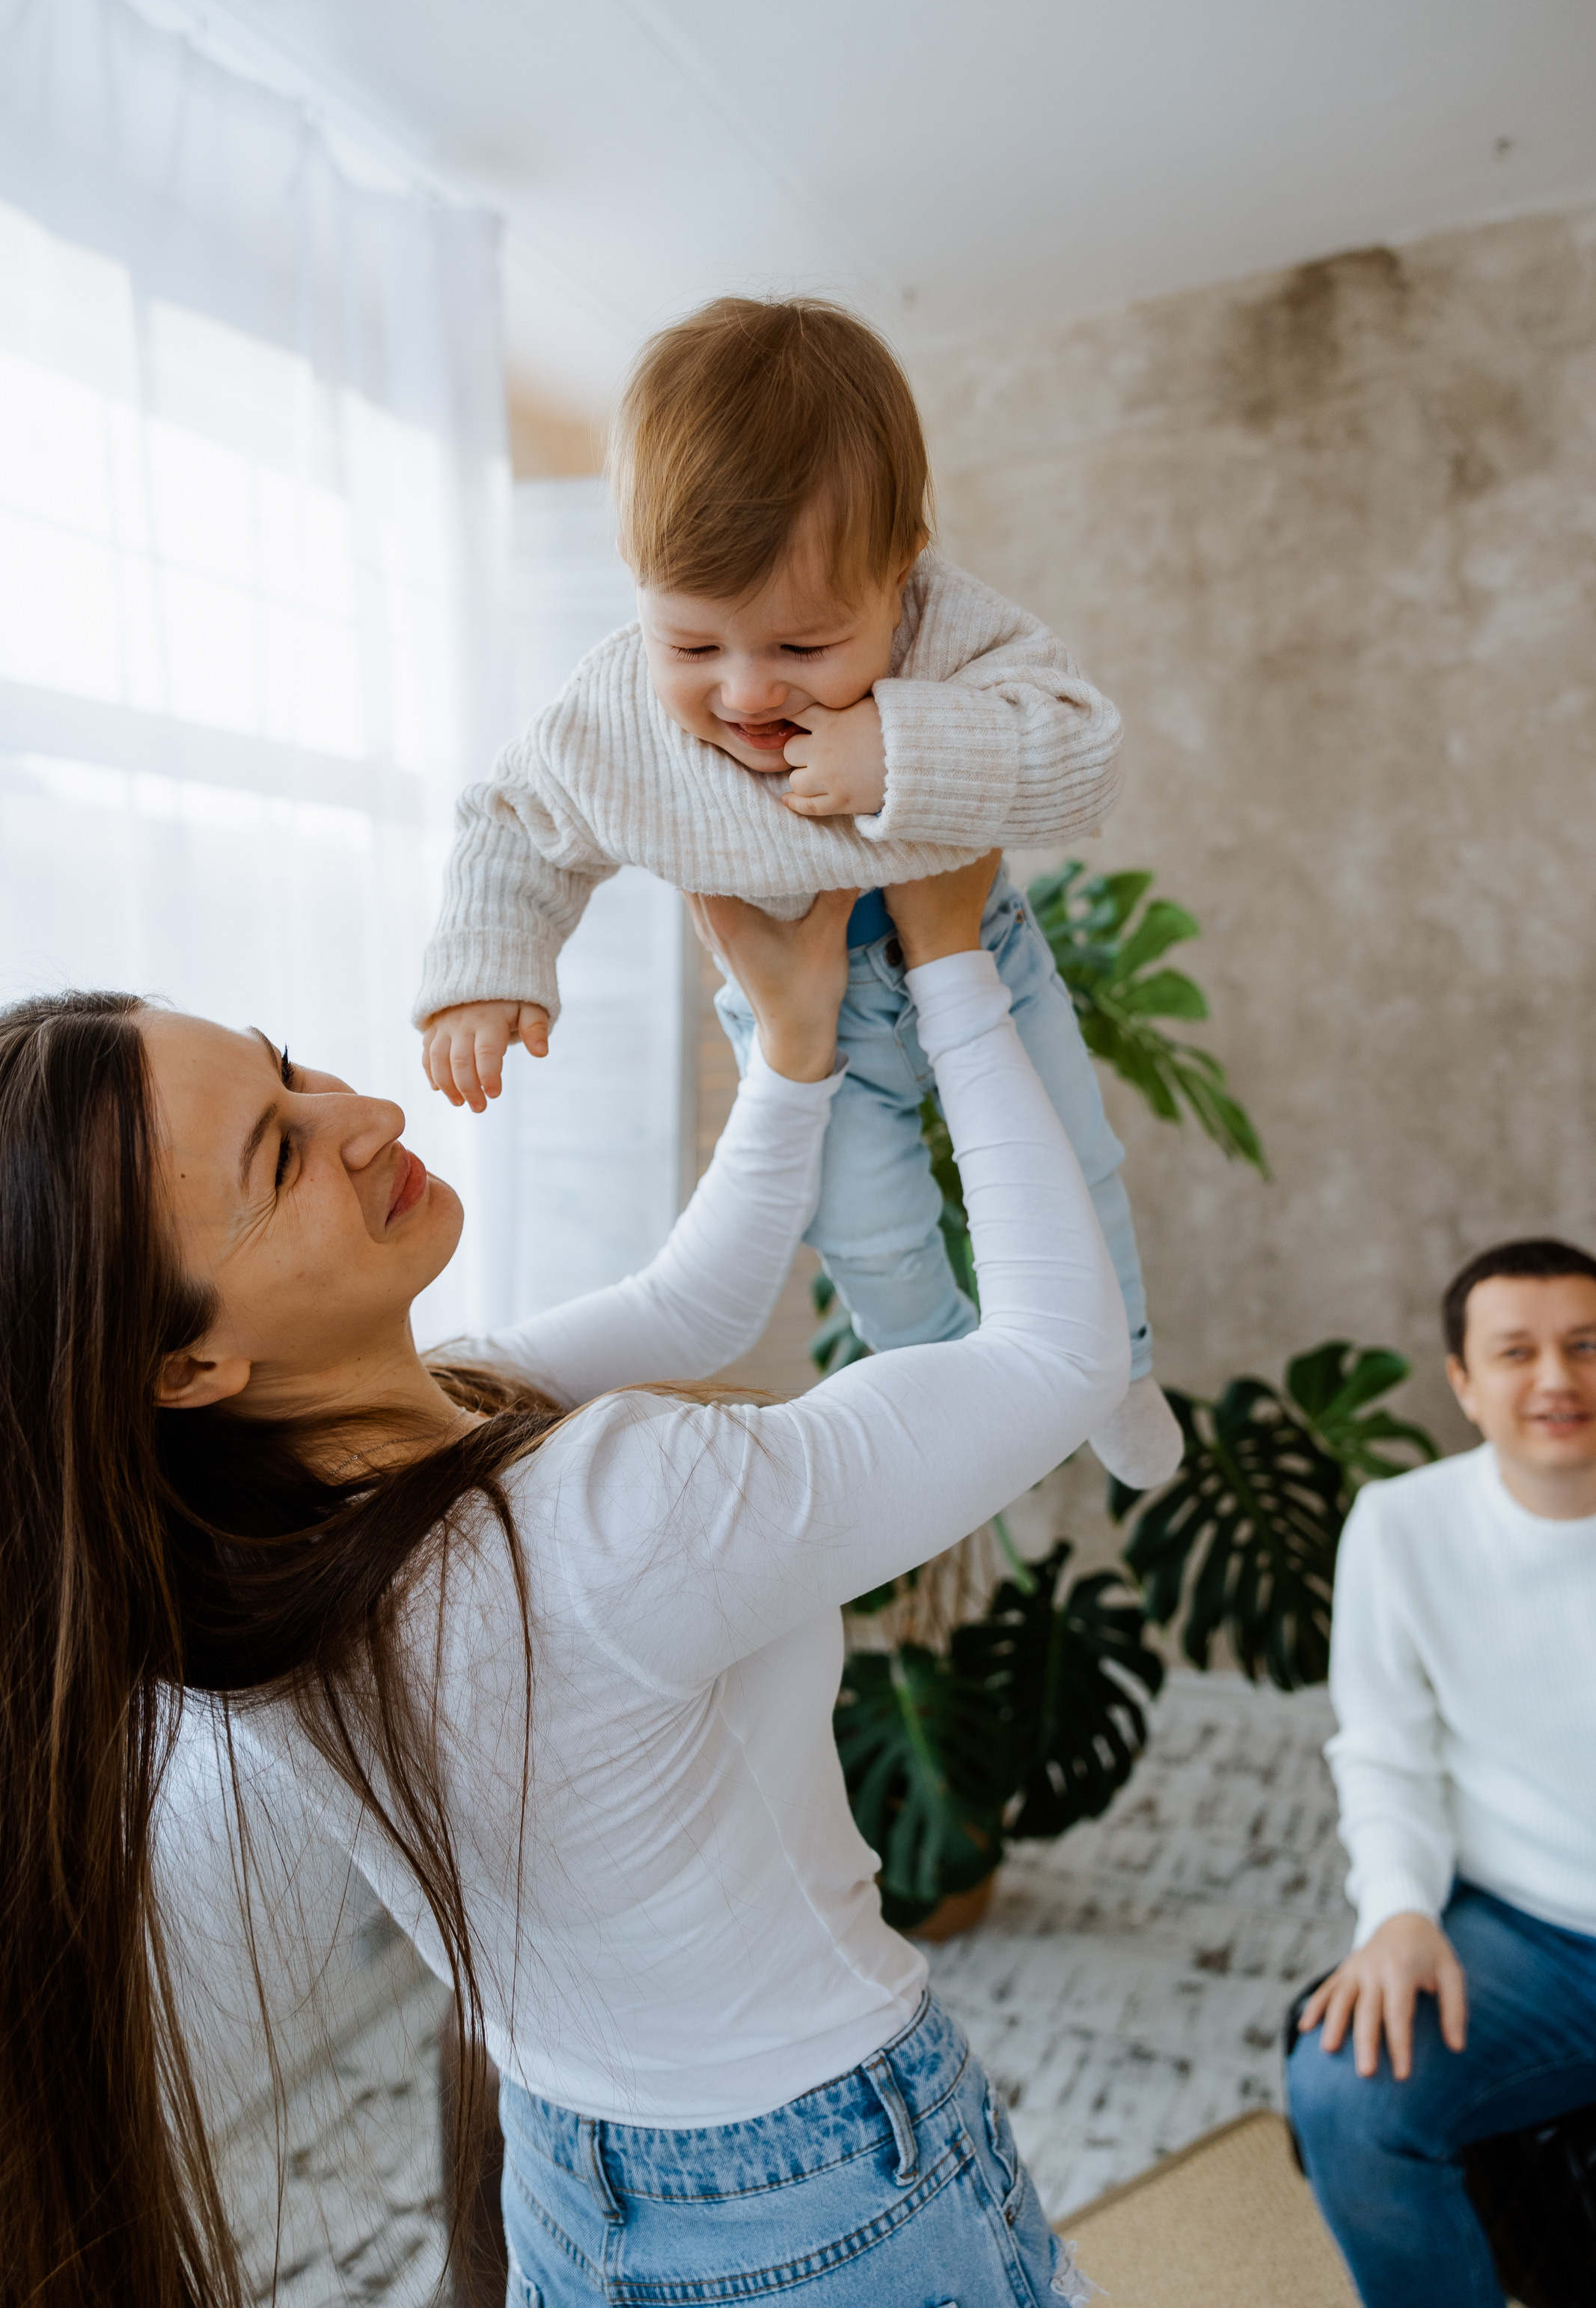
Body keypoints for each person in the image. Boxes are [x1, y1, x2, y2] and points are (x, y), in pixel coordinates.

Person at [0, 856, 1122, 2308]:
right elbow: (1058, 1363)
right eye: (279, 1157)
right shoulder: (598, 1519)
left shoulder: (244, 1550)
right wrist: (955, 961)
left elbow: (683, 1302)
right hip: (821, 2194)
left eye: (290, 1070)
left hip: (577, 2178)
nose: (365, 1115)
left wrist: (789, 1054)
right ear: (187, 1363)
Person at [415, 294, 1181, 1490]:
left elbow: (1086, 759)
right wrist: (488, 969)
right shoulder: (612, 708)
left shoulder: (944, 632)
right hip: (795, 1013)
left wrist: (904, 749)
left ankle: (1123, 1363)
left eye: (804, 647)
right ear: (636, 590)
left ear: (899, 570)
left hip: (982, 951)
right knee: (871, 1229)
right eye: (693, 645)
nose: (744, 691)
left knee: (1073, 1162)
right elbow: (516, 823)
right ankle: (943, 1385)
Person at [1288, 1236, 1596, 2308]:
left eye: (1585, 1346)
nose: (1556, 1378)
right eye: (1516, 1352)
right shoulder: (1399, 1525)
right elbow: (1381, 1750)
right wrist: (1398, 1912)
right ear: (1463, 1383)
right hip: (1534, 1934)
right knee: (1346, 2094)